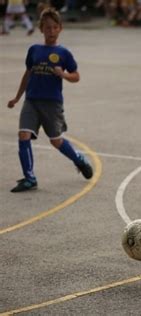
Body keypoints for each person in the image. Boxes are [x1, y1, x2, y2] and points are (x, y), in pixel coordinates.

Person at [7, 8, 93, 193]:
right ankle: (30, 178)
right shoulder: (34, 50)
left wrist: (63, 74)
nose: (51, 31)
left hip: (52, 103)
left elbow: (76, 76)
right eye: (47, 28)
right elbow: (28, 74)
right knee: (23, 135)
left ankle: (79, 160)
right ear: (41, 29)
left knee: (55, 141)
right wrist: (17, 97)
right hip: (31, 101)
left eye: (54, 27)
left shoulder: (64, 53)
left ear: (60, 29)